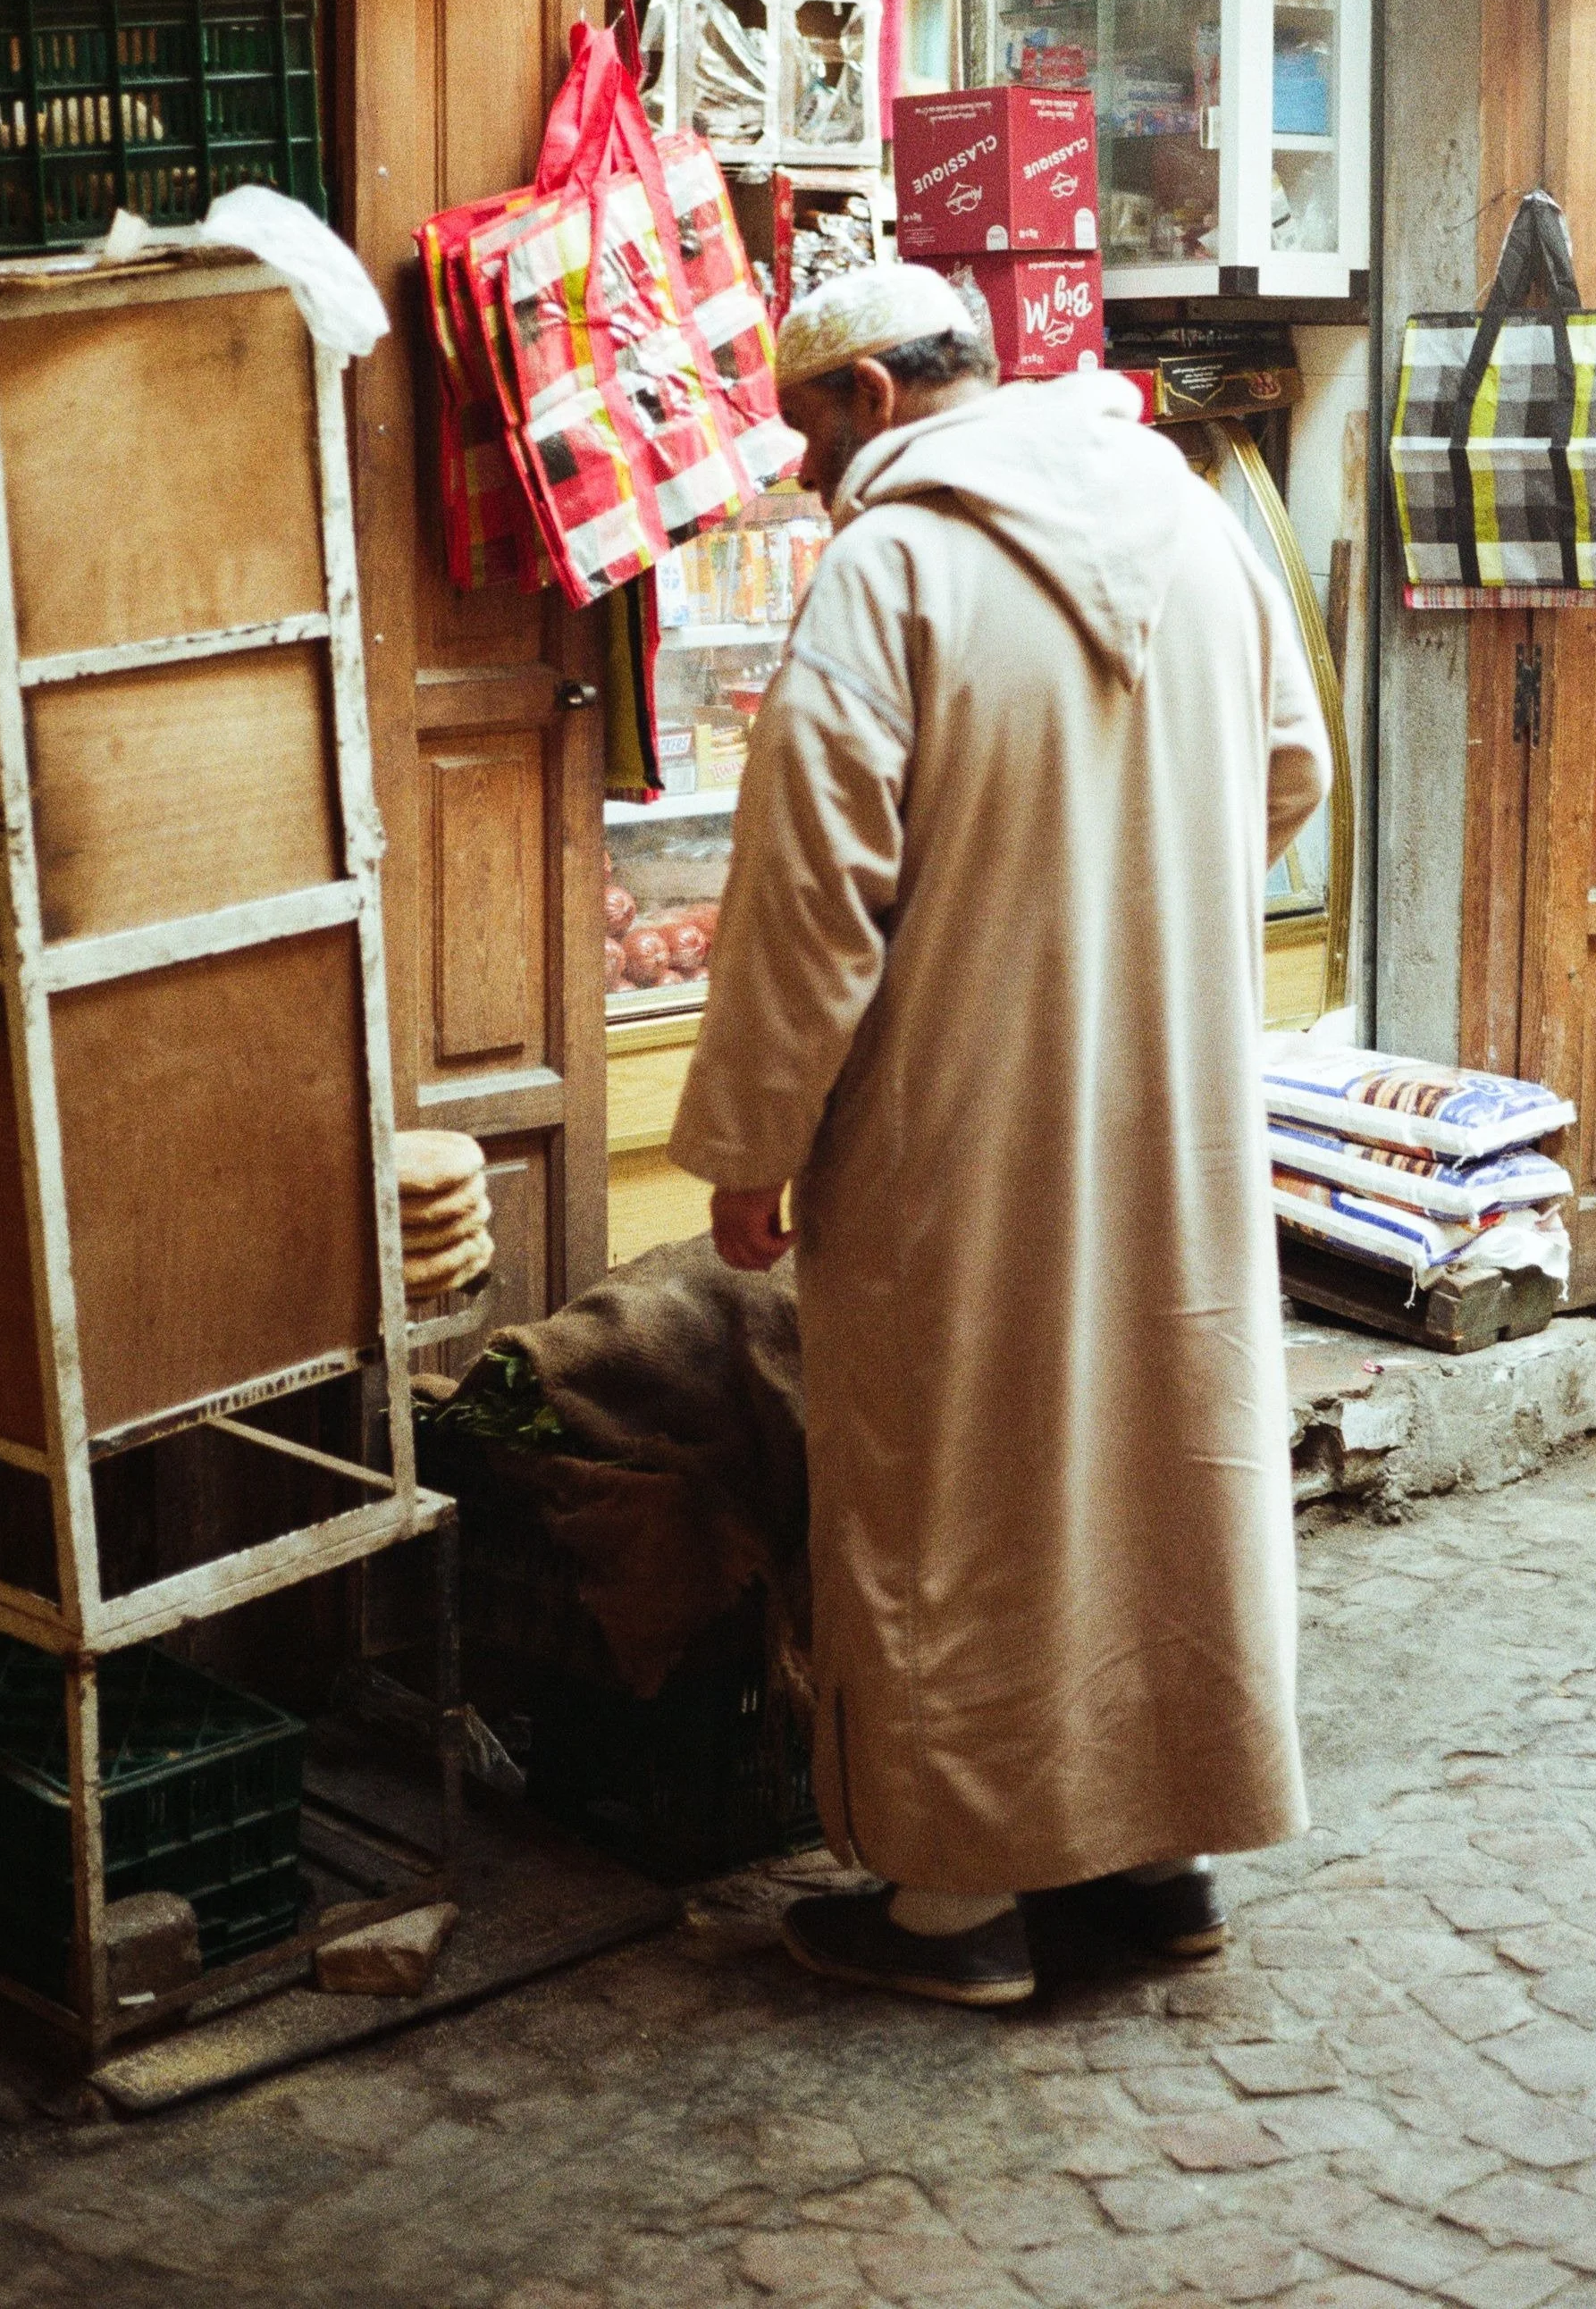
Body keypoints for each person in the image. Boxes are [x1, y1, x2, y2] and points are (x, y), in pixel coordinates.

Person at [668, 264, 1332, 2008]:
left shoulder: (888, 567)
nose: (806, 475)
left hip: (952, 1122)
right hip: (1166, 1109)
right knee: (1152, 1455)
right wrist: (1136, 918)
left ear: (872, 399)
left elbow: (812, 902)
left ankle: (952, 1912)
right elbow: (1288, 772)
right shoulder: (1184, 520)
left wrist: (751, 1143)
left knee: (954, 1482)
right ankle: (1158, 1858)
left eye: (811, 434)